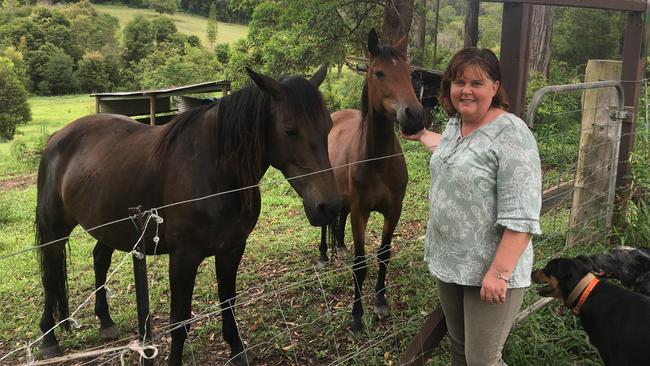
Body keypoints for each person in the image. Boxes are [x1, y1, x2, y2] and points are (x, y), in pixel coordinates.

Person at [402, 47, 542, 365]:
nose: (465, 90)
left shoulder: (513, 137)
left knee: (482, 360)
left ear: (495, 87)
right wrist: (424, 135)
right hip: (451, 262)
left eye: (476, 83)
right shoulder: (456, 125)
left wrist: (499, 273)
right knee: (459, 349)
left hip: (490, 269)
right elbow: (459, 154)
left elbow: (522, 217)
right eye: (458, 81)